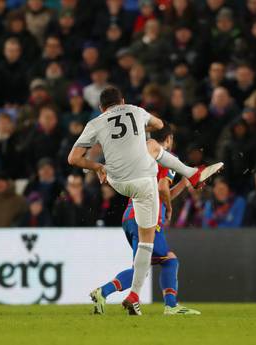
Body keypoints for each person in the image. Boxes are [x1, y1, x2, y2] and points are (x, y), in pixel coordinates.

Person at [67, 86, 223, 315]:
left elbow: (73, 158)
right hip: (142, 181)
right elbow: (159, 125)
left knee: (145, 258)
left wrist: (98, 166)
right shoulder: (135, 111)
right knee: (149, 247)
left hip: (117, 181)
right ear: (123, 100)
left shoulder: (96, 122)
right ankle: (137, 297)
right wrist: (144, 126)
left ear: (102, 107)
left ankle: (192, 174)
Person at [90, 124, 200, 316]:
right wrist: (170, 208)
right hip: (147, 218)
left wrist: (184, 182)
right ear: (169, 139)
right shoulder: (168, 158)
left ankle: (103, 293)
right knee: (169, 260)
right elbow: (162, 189)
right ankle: (171, 306)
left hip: (129, 217)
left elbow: (160, 192)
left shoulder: (140, 156)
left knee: (141, 268)